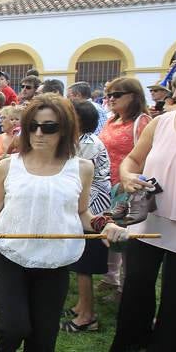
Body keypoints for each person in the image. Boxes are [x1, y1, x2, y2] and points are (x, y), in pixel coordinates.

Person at [0, 94, 128, 352]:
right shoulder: (8, 166)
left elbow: (83, 212)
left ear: (65, 129)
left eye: (49, 127)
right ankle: (6, 348)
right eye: (33, 126)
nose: (39, 134)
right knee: (14, 326)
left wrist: (107, 226)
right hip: (11, 257)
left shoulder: (80, 168)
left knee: (43, 338)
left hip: (55, 262)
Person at [109, 62, 176, 352]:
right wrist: (129, 177)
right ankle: (133, 340)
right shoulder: (161, 123)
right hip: (148, 217)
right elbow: (132, 160)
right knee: (136, 282)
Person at [98, 77, 151, 298]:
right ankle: (111, 278)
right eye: (108, 94)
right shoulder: (111, 120)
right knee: (112, 232)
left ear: (134, 96)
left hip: (130, 188)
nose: (110, 99)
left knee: (129, 238)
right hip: (108, 186)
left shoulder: (142, 121)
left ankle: (126, 287)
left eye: (116, 94)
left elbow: (148, 156)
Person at [62, 101, 111, 332]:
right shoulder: (80, 140)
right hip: (86, 205)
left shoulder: (88, 143)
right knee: (80, 263)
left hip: (93, 210)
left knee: (85, 264)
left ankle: (88, 318)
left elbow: (80, 179)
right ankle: (81, 306)